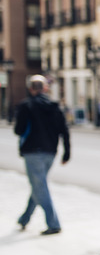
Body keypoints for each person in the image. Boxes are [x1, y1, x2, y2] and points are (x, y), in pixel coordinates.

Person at [14, 75, 70, 235]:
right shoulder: (55, 106)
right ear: (45, 88)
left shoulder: (26, 106)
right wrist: (67, 153)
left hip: (32, 152)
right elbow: (64, 131)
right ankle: (24, 218)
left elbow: (18, 130)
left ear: (31, 89)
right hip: (51, 152)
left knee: (40, 186)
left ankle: (53, 224)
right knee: (39, 185)